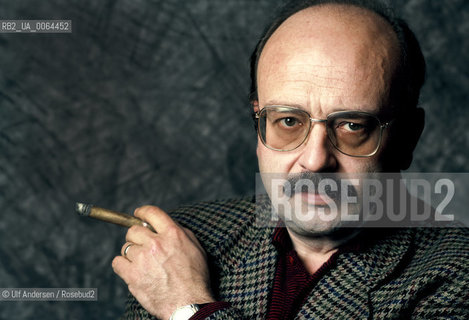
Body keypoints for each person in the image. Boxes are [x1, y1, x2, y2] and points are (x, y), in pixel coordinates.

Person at [112, 0, 469, 319]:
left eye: (351, 125)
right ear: (259, 125)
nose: (315, 161)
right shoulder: (179, 244)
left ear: (408, 138)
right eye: (288, 121)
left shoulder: (456, 274)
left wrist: (189, 308)